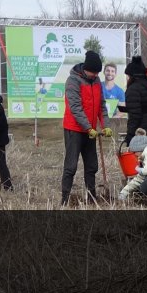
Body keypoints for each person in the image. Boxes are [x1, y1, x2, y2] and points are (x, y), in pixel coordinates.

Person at [60, 50, 111, 205]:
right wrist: (88, 128)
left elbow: (102, 106)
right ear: (85, 68)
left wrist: (105, 125)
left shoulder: (96, 81)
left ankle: (91, 196)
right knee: (71, 166)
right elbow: (75, 108)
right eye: (93, 72)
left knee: (92, 166)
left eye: (97, 73)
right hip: (74, 129)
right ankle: (65, 199)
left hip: (91, 131)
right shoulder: (72, 81)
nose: (95, 75)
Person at [122, 57, 147, 150]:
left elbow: (135, 116)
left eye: (128, 75)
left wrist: (130, 136)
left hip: (140, 132)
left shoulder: (133, 89)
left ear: (132, 76)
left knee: (138, 162)